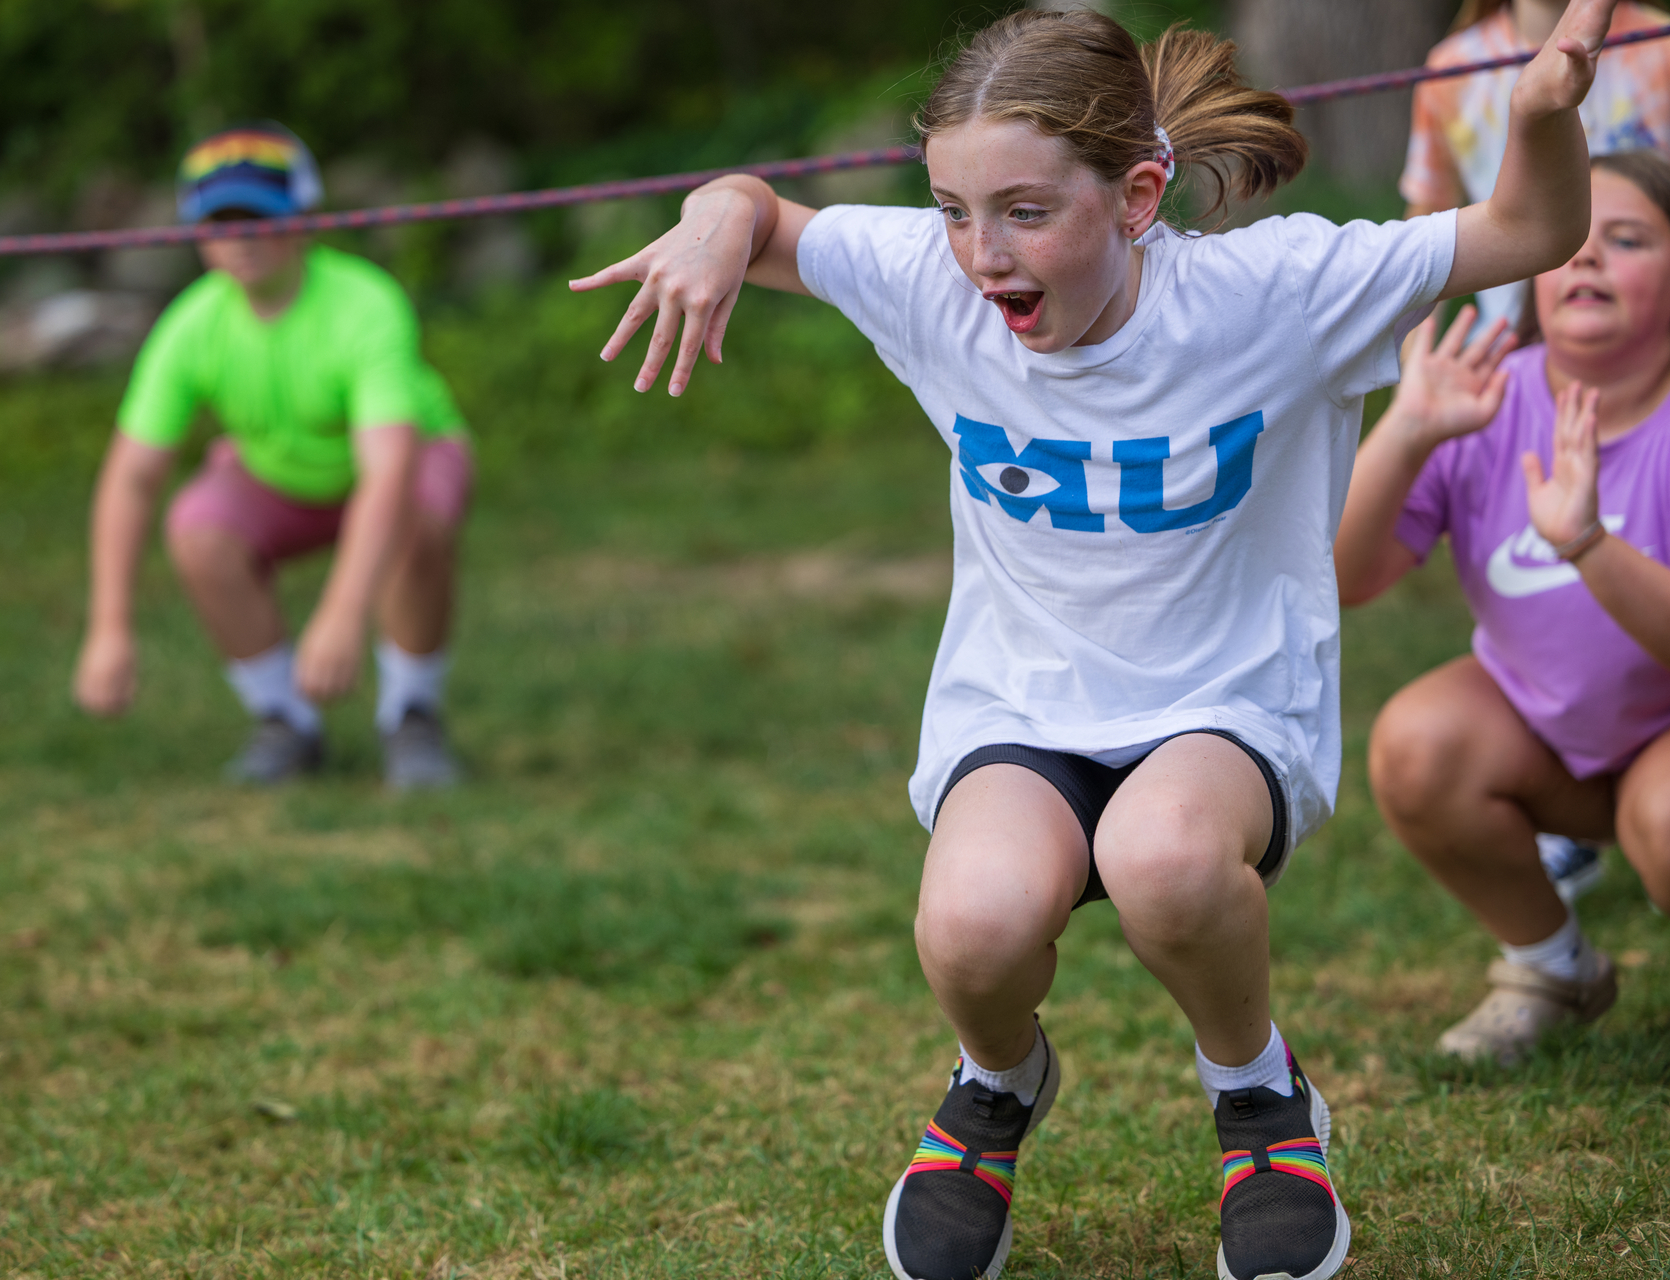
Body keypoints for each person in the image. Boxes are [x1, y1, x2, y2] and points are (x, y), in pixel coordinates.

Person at [570, 3, 1615, 1276]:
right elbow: (764, 212)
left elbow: (1530, 231)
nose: (977, 253)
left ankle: (1259, 1101)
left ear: (1136, 195)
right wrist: (718, 215)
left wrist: (1547, 116)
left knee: (1165, 859)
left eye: (1021, 211)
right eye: (951, 208)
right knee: (970, 926)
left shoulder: (1272, 293)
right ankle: (998, 1084)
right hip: (1022, 708)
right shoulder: (928, 283)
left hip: (1224, 706)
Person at [1335, 151, 1670, 1067]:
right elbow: (1344, 576)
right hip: (1539, 731)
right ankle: (1552, 966)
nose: (1590, 259)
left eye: (1628, 239)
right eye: (1572, 240)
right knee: (1418, 743)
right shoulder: (1487, 395)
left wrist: (1589, 547)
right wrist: (1408, 430)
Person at [72, 122, 471, 789]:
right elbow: (133, 477)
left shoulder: (366, 304)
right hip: (280, 477)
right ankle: (286, 721)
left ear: (303, 220)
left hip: (399, 469)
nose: (239, 237)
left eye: (257, 217)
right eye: (219, 221)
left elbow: (389, 471)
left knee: (419, 519)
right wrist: (108, 628)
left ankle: (412, 713)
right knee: (198, 529)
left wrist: (344, 612)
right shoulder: (190, 326)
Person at [1404, 0, 1670, 897]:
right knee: (1534, 590)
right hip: (1511, 349)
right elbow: (1425, 220)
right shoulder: (1454, 64)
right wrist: (1420, 374)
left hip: (1654, 334)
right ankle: (1563, 824)